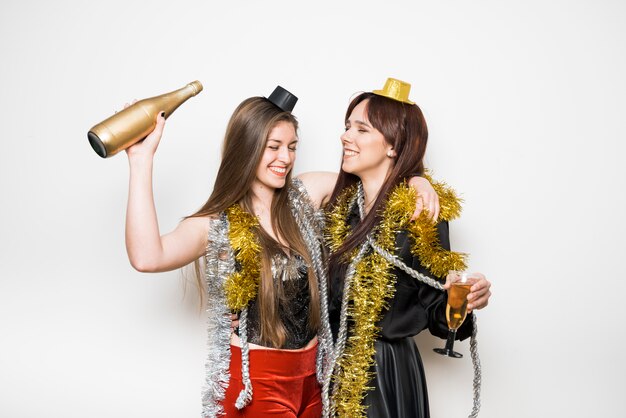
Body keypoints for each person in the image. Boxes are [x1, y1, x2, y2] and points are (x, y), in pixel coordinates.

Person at [123, 85, 439, 418]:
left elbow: (379, 180)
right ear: (247, 149)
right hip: (258, 381)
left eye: (291, 147)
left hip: (315, 379)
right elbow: (147, 257)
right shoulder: (218, 222)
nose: (285, 158)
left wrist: (417, 180)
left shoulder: (305, 195)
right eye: (273, 147)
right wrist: (141, 161)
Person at [324, 78, 492, 418]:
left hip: (384, 376)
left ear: (393, 145)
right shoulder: (339, 209)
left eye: (361, 129)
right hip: (328, 369)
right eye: (347, 127)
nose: (346, 136)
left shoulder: (419, 213)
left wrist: (465, 300)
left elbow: (434, 309)